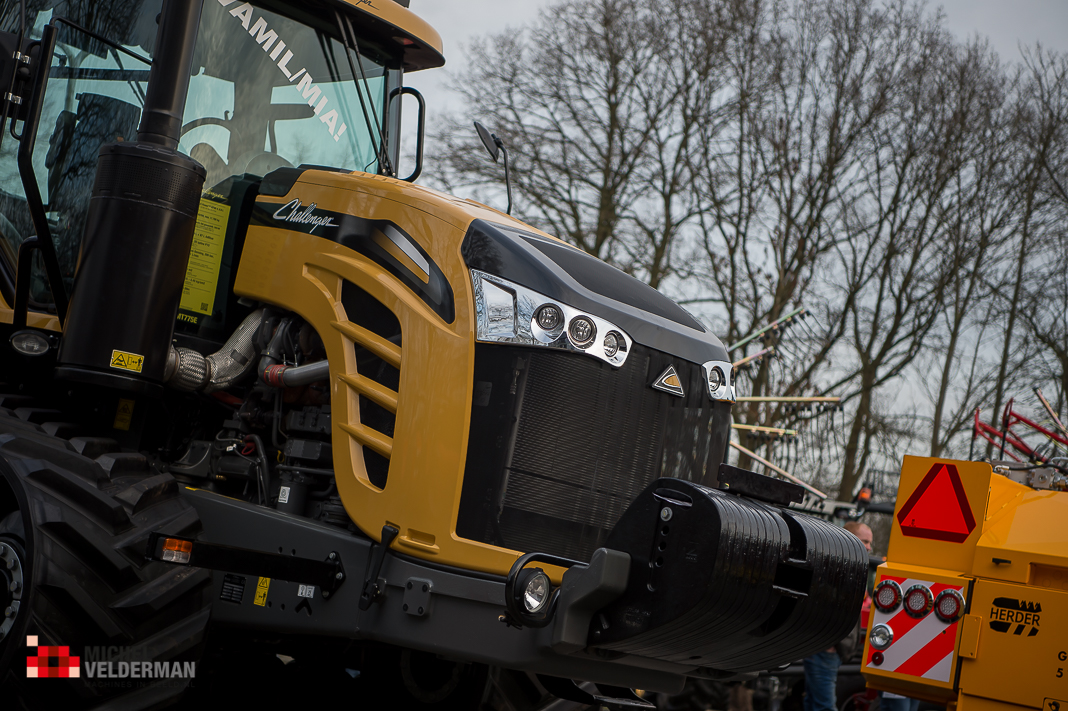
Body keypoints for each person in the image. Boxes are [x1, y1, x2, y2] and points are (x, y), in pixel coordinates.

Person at [802, 521, 873, 711]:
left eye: (870, 543)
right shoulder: (837, 568)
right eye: (865, 541)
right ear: (849, 539)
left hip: (826, 647)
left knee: (813, 702)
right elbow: (824, 604)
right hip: (825, 648)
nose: (869, 547)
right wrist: (830, 642)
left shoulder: (847, 566)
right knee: (825, 705)